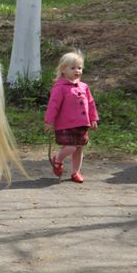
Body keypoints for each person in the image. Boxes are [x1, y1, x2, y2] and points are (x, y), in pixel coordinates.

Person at [44, 50, 100, 183]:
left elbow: (90, 103)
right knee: (71, 147)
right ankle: (58, 159)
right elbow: (53, 105)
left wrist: (93, 118)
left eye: (79, 68)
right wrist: (49, 121)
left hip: (82, 124)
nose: (77, 71)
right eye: (73, 68)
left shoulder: (84, 87)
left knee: (79, 148)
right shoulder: (60, 87)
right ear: (63, 70)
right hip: (66, 125)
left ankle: (76, 172)